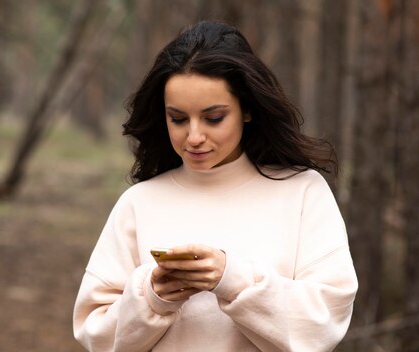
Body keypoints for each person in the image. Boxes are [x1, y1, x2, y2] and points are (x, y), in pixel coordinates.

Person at [72, 21, 358, 352]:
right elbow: (95, 332)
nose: (194, 137)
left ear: (247, 109)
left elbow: (325, 322)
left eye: (214, 118)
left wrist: (231, 279)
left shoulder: (303, 193)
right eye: (178, 119)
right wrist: (153, 298)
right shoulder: (138, 203)